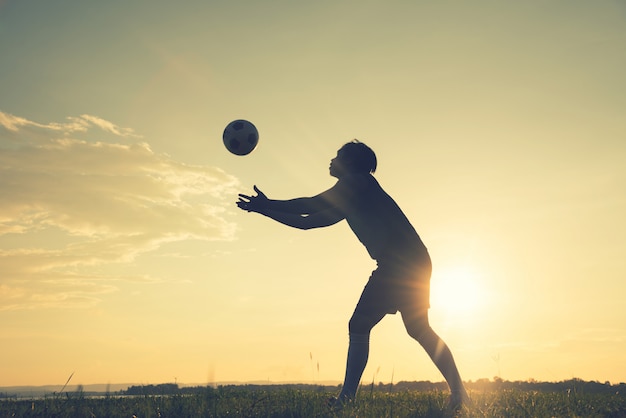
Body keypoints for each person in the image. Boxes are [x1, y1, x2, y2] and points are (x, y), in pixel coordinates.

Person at [237, 140, 468, 409]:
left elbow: (311, 205)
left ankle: (347, 399)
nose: (332, 160)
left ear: (351, 163)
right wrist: (265, 208)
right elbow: (307, 221)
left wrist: (267, 204)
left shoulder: (358, 182)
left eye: (338, 156)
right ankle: (460, 395)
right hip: (412, 261)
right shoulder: (352, 195)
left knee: (360, 325)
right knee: (417, 329)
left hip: (400, 264)